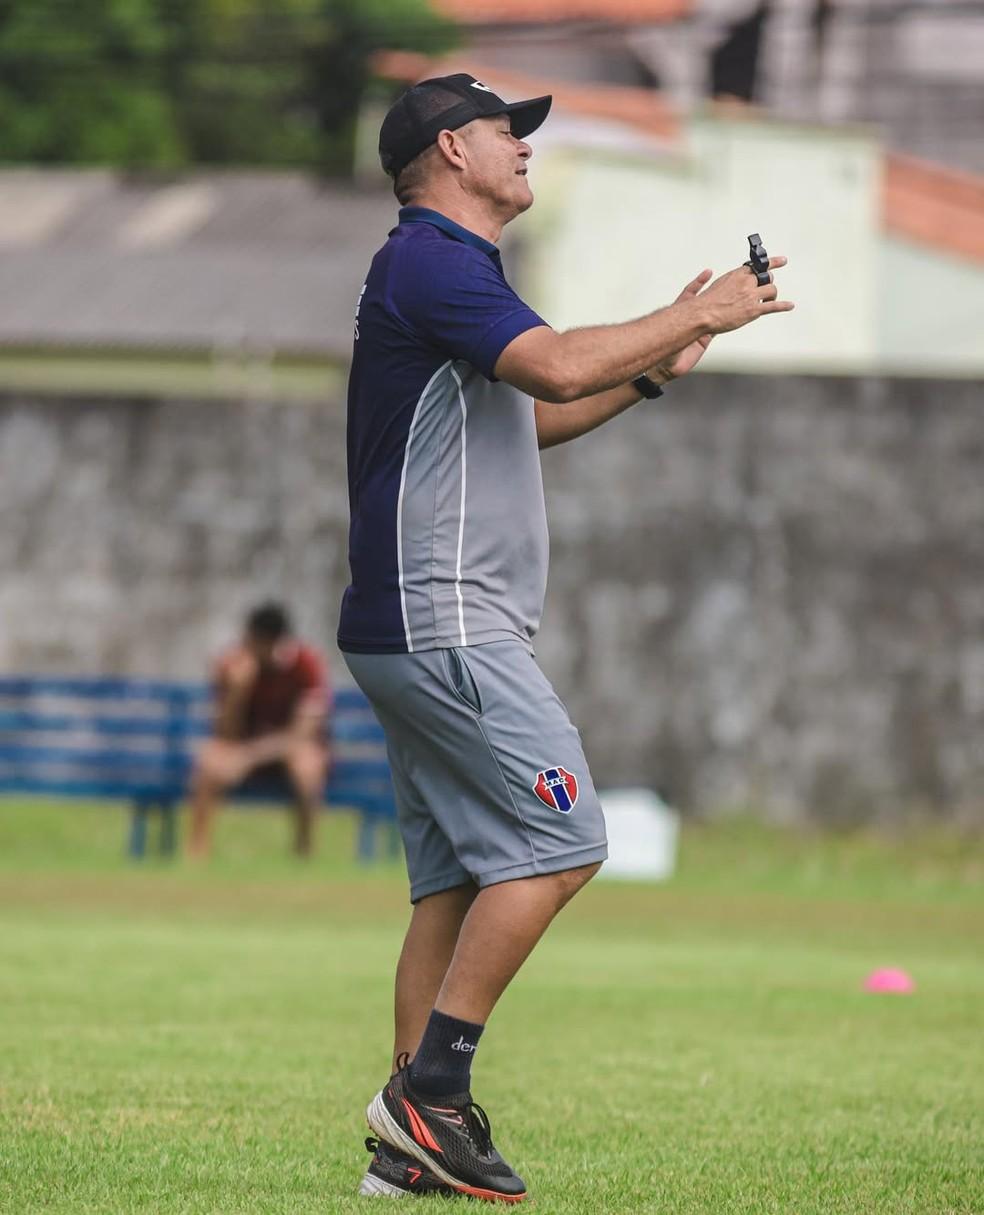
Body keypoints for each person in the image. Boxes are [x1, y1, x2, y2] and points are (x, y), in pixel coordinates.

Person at [340, 73, 793, 1202]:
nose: (526, 148)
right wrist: (700, 310)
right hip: (446, 615)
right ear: (452, 150)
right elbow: (549, 362)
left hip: (413, 619)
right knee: (561, 838)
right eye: (510, 131)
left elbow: (530, 414)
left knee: (453, 884)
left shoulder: (446, 271)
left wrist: (647, 370)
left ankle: (408, 1160)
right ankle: (430, 1095)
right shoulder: (433, 261)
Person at [187, 602, 330, 859]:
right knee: (209, 760)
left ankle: (304, 851)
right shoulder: (234, 664)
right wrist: (236, 692)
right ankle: (198, 851)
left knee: (307, 767)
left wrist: (250, 755)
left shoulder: (306, 664)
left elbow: (301, 734)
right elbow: (224, 733)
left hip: (284, 751)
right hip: (243, 749)